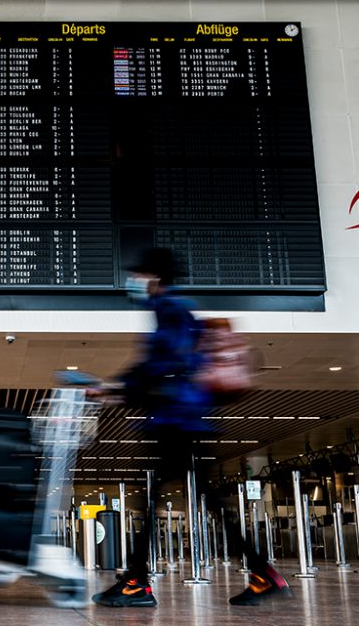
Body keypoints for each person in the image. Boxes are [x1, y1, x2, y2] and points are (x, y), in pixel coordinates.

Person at [88, 248, 290, 608]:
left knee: (154, 503)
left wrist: (119, 388)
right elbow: (161, 366)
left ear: (154, 276)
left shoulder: (169, 308)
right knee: (207, 502)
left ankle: (136, 584)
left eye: (138, 274)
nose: (132, 282)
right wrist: (123, 390)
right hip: (185, 418)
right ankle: (263, 575)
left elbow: (161, 364)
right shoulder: (176, 310)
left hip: (176, 421)